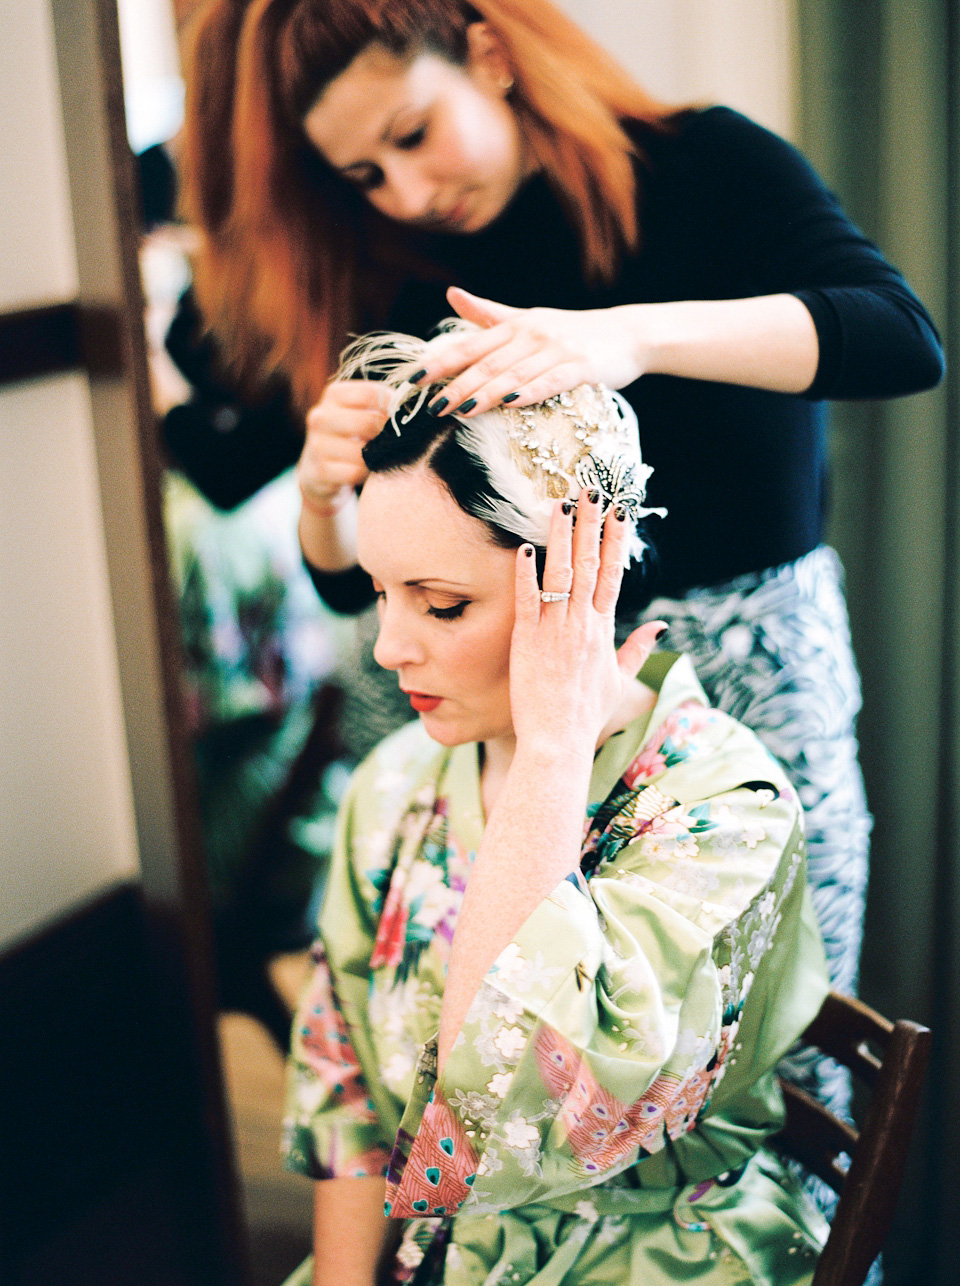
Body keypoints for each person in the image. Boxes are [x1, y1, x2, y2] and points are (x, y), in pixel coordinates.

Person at [177, 0, 945, 1108]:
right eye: (361, 174)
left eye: (412, 132)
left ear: (486, 54)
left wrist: (628, 335)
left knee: (764, 1068)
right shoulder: (398, 257)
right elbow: (352, 579)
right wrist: (318, 492)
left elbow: (899, 336)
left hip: (737, 678)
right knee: (511, 1068)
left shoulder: (703, 166)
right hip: (492, 711)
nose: (404, 191)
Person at [280, 330, 831, 1285]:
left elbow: (508, 1128)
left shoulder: (722, 814)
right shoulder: (397, 782)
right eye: (378, 595)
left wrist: (550, 753)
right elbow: (343, 1076)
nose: (387, 649)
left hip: (655, 1253)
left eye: (441, 605)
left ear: (586, 577)